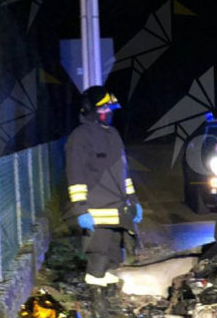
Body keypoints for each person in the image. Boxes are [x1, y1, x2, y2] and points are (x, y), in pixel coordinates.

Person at [65, 86, 143, 317]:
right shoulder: (79, 138)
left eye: (110, 107)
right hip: (95, 212)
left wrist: (133, 200)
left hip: (118, 211)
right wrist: (80, 209)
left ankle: (110, 300)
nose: (109, 111)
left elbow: (124, 173)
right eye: (104, 107)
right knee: (97, 257)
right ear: (91, 110)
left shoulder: (113, 135)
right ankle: (98, 306)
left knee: (113, 255)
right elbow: (75, 176)